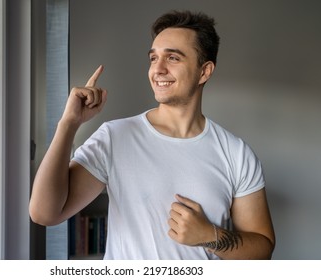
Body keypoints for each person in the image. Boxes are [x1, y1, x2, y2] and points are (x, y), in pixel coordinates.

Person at [29, 10, 275, 260]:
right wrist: (69, 124)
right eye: (153, 58)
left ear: (204, 71)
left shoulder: (236, 153)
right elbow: (44, 213)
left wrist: (210, 235)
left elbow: (262, 250)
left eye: (173, 58)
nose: (157, 69)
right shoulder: (115, 138)